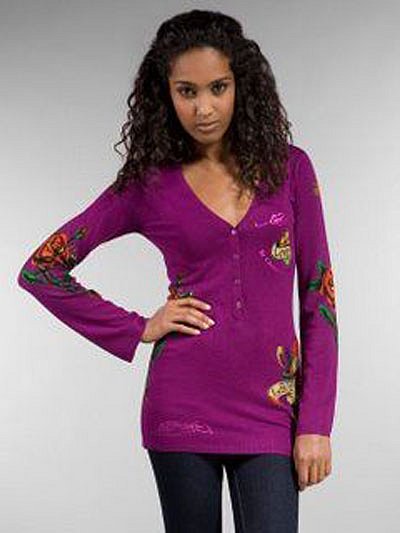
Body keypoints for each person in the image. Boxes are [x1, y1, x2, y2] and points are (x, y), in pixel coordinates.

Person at [17, 9, 339, 533]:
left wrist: (316, 423)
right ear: (165, 94)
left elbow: (318, 298)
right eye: (186, 91)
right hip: (182, 408)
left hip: (271, 410)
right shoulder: (148, 185)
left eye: (218, 88)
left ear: (241, 85)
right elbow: (41, 269)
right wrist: (137, 326)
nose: (203, 108)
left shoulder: (290, 168)